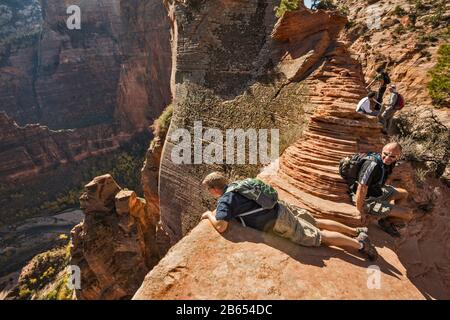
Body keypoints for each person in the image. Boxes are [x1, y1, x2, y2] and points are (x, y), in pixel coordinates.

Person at [201, 172, 378, 261]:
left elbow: (221, 226)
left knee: (319, 236)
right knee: (315, 222)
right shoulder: (238, 184)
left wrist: (210, 214)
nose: (211, 194)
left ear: (214, 189)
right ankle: (356, 231)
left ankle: (361, 245)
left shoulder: (225, 200)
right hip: (281, 206)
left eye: (210, 191)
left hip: (278, 220)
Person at [347, 142, 414, 237]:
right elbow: (361, 188)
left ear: (398, 156)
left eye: (392, 156)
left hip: (375, 191)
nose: (387, 158)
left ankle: (386, 221)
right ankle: (382, 215)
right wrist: (360, 210)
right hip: (365, 199)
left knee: (404, 193)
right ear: (382, 151)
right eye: (385, 154)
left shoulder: (388, 163)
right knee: (407, 214)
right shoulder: (372, 164)